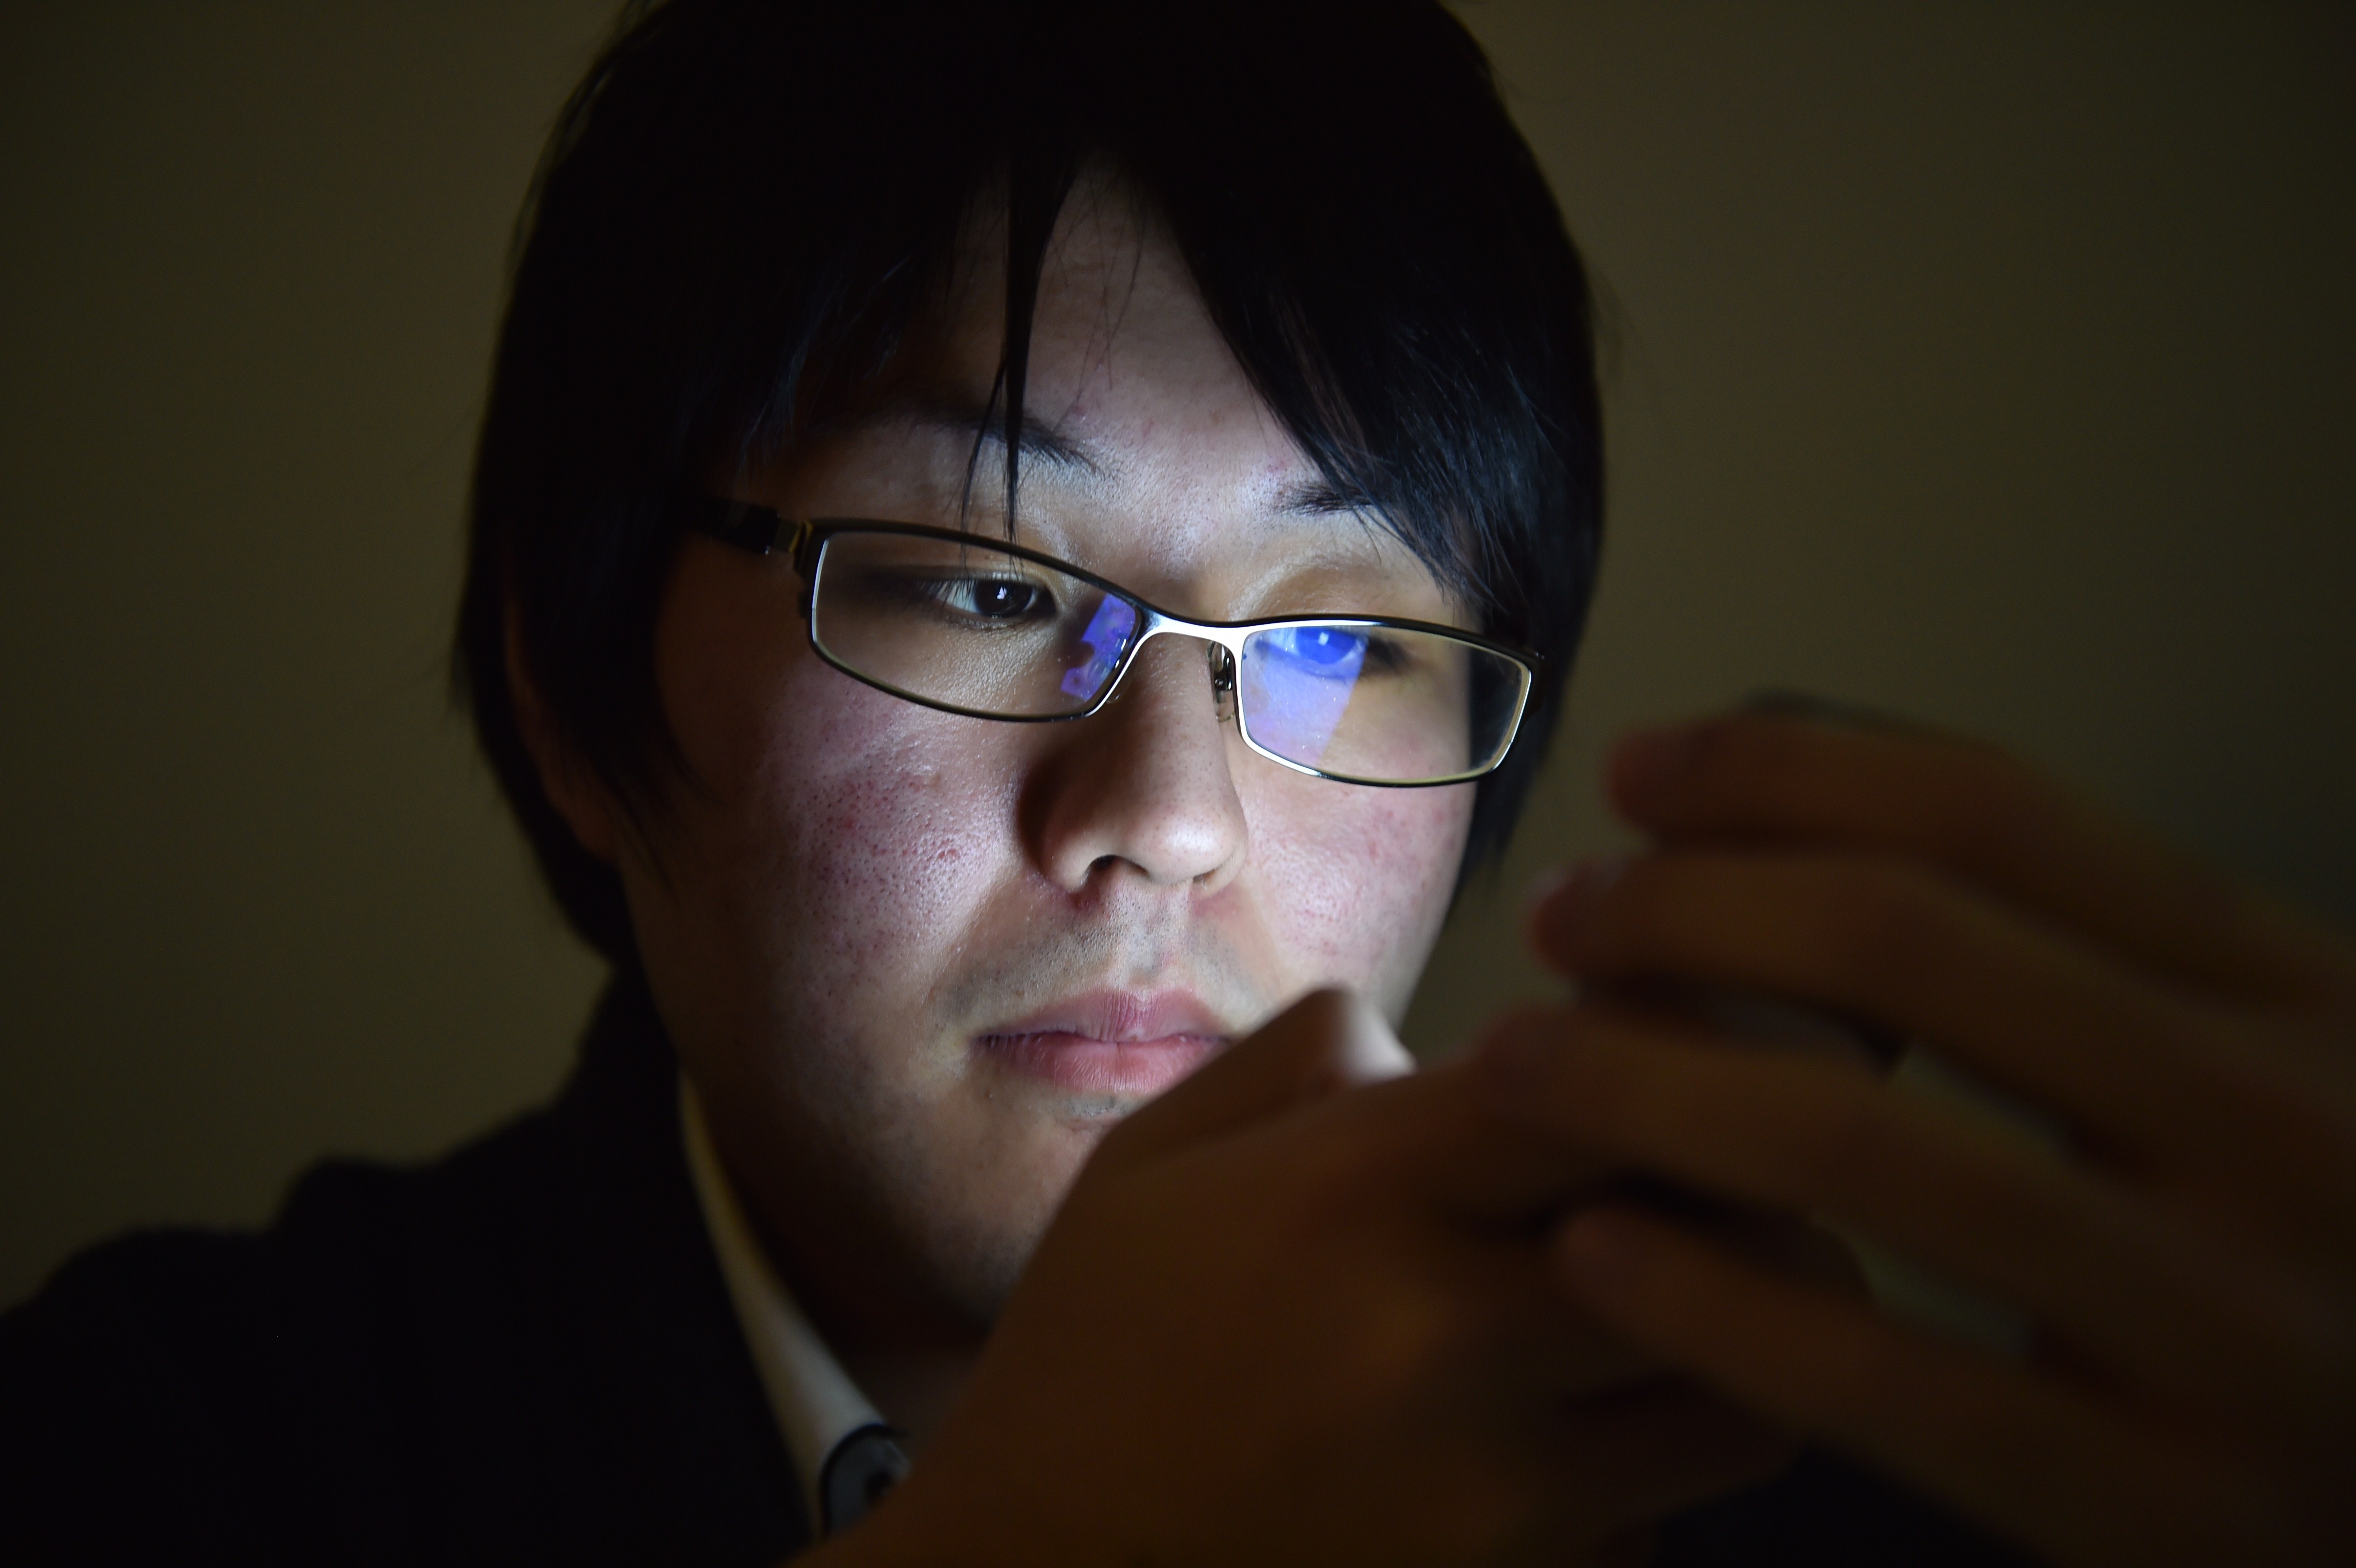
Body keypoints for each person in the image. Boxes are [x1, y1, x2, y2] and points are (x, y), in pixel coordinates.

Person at [5, 2, 2350, 1564]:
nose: (1171, 812)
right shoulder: (157, 1452)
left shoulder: (1773, 1486)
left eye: (1336, 640)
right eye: (982, 582)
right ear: (568, 682)